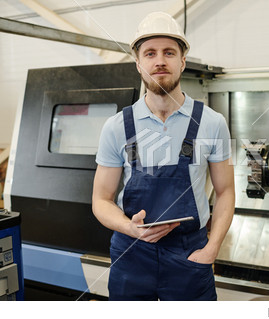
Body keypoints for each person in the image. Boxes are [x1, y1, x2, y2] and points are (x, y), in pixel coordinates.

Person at [92, 11, 235, 301]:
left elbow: (226, 191)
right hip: (131, 255)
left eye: (169, 52)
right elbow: (101, 199)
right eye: (150, 53)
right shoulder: (117, 126)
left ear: (182, 61)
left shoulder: (211, 122)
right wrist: (129, 228)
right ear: (138, 64)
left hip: (190, 254)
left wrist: (212, 248)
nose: (160, 61)